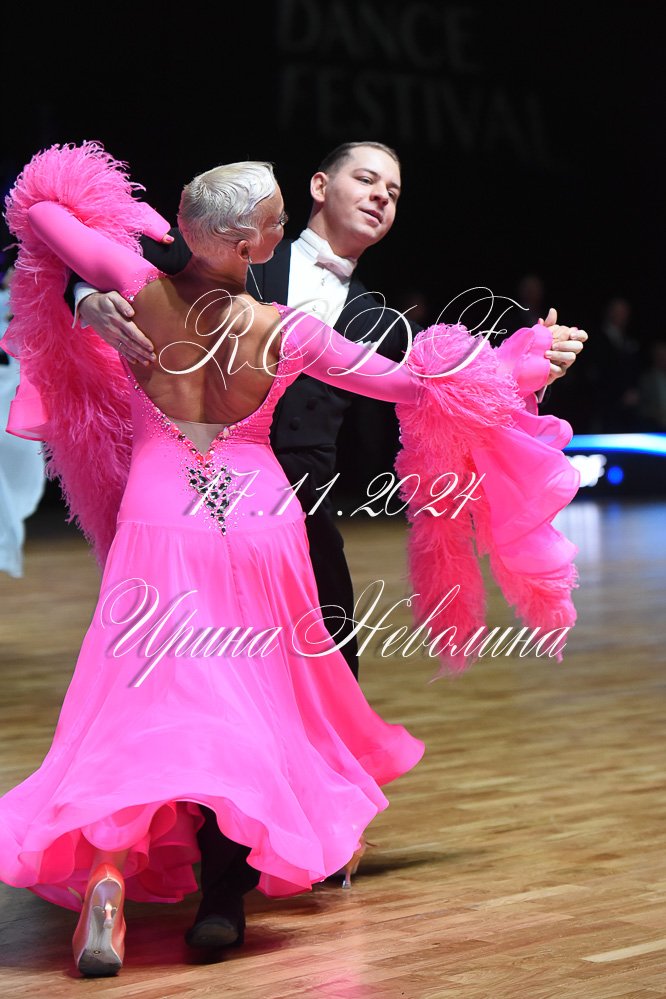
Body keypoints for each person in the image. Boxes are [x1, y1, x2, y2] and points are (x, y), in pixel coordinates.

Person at [0, 143, 580, 977]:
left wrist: (94, 289)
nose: (280, 230)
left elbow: (39, 210)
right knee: (253, 706)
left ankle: (107, 877)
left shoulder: (135, 283)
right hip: (261, 524)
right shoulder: (291, 329)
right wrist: (518, 359)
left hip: (159, 515)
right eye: (275, 220)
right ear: (253, 246)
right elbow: (419, 386)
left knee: (134, 701)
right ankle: (224, 898)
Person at [70, 142, 587, 680]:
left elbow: (444, 382)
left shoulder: (381, 320)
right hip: (187, 488)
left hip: (300, 500)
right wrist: (87, 299)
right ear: (319, 186)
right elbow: (101, 256)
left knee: (335, 663)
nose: (381, 196)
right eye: (366, 180)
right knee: (183, 655)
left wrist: (530, 363)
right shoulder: (237, 245)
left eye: (393, 192)